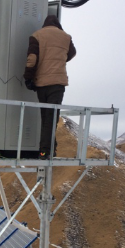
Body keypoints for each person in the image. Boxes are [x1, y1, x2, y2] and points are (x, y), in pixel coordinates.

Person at [24, 15, 76, 160]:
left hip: (41, 83)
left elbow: (32, 58)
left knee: (46, 117)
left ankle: (48, 149)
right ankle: (46, 150)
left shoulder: (37, 35)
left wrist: (28, 78)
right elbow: (72, 53)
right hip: (58, 83)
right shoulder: (65, 37)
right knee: (52, 118)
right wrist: (59, 58)